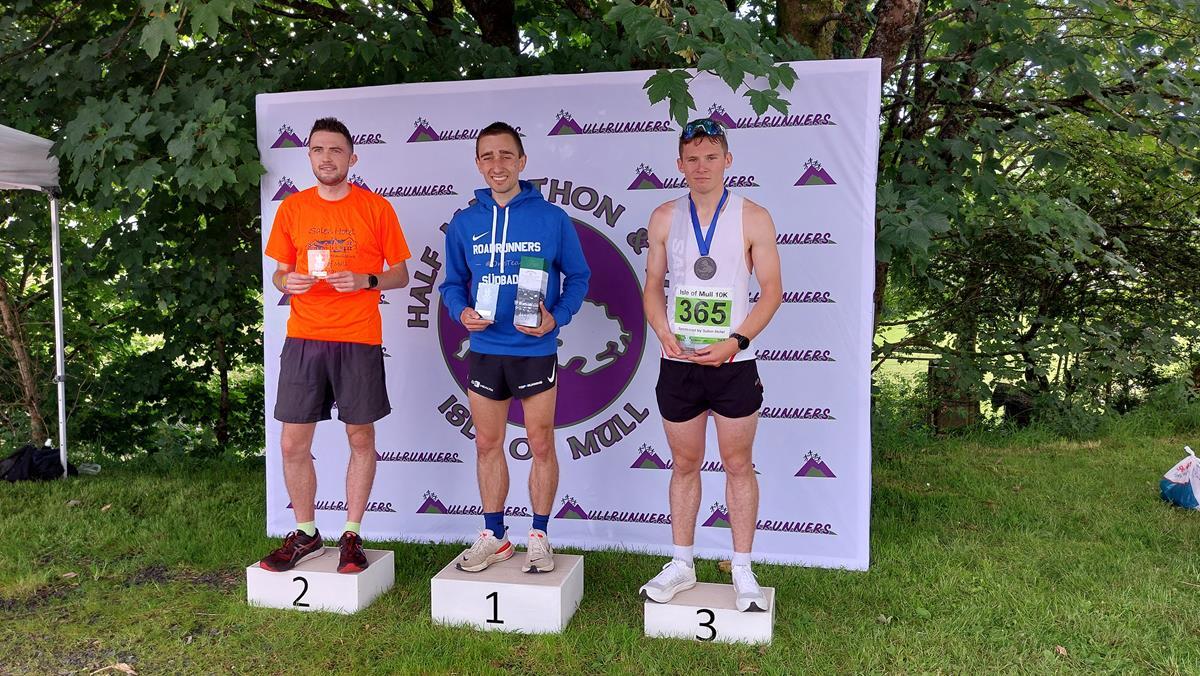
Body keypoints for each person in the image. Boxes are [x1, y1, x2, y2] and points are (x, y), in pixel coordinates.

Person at [638, 118, 783, 611]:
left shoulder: (754, 216)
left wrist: (736, 341)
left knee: (738, 464)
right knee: (683, 463)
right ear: (679, 164)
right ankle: (681, 562)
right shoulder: (662, 216)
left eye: (711, 157)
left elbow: (772, 293)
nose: (702, 166)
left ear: (728, 160)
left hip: (734, 363)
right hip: (677, 361)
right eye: (692, 158)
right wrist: (661, 331)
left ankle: (742, 566)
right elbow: (652, 286)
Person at [258, 117, 411, 574]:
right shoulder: (292, 209)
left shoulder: (376, 208)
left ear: (352, 158)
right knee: (291, 443)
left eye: (336, 150)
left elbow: (400, 274)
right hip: (304, 338)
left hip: (358, 338)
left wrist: (367, 279)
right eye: (319, 150)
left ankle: (352, 534)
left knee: (360, 436)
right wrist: (290, 279)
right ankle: (306, 532)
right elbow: (278, 273)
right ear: (309, 156)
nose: (327, 157)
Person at [439, 121, 590, 574]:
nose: (497, 164)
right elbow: (451, 285)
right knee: (488, 443)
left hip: (534, 349)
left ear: (522, 162)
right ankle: (494, 535)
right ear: (478, 164)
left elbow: (579, 277)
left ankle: (539, 535)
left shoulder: (551, 218)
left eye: (506, 155)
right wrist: (461, 312)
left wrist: (556, 318)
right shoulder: (465, 223)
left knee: (541, 442)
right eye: (488, 156)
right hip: (485, 348)